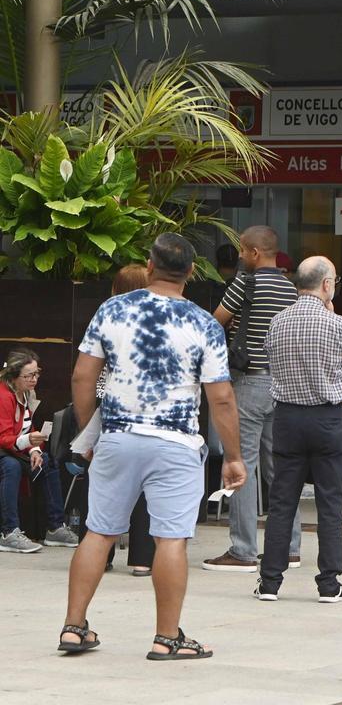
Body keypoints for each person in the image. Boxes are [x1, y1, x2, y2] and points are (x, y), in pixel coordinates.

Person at [61, 233, 247, 659]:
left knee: (100, 531)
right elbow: (220, 398)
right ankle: (167, 638)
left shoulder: (112, 309)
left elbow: (81, 378)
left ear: (149, 265)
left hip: (119, 437)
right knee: (170, 539)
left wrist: (92, 432)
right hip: (176, 444)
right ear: (192, 273)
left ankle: (73, 627)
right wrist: (234, 457)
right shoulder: (203, 323)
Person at [255, 256, 342, 603]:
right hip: (328, 419)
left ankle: (269, 582)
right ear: (327, 284)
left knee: (282, 501)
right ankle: (329, 584)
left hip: (287, 418)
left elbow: (269, 360)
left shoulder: (277, 322)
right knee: (331, 504)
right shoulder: (338, 324)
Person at [203, 226, 302, 573]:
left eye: (243, 251)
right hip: (285, 387)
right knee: (283, 468)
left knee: (241, 465)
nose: (240, 257)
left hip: (249, 384)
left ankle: (243, 549)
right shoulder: (291, 289)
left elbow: (216, 323)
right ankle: (290, 547)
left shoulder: (245, 283)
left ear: (256, 253)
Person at [102, 265, 155, 576]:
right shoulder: (159, 318)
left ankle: (102, 555)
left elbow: (90, 372)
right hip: (150, 413)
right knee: (146, 487)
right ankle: (142, 558)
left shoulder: (107, 316)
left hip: (112, 411)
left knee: (108, 488)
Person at [0, 350, 78, 553]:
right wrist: (28, 441)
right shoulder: (3, 396)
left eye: (37, 373)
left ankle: (55, 527)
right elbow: (3, 436)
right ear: (14, 376)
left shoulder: (26, 394)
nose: (34, 379)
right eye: (29, 375)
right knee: (11, 466)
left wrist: (34, 449)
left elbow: (27, 427)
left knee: (46, 462)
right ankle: (9, 532)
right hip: (5, 452)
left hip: (13, 449)